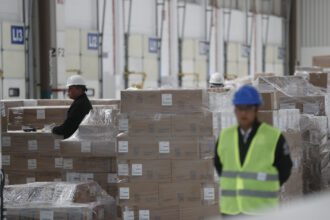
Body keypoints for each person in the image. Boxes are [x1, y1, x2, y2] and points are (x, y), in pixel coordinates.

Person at [214, 85, 293, 216]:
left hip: (261, 209)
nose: (243, 113)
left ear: (256, 109)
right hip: (230, 210)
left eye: (248, 108)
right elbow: (219, 165)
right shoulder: (225, 136)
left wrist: (268, 186)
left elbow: (285, 168)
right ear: (235, 110)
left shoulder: (273, 136)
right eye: (240, 108)